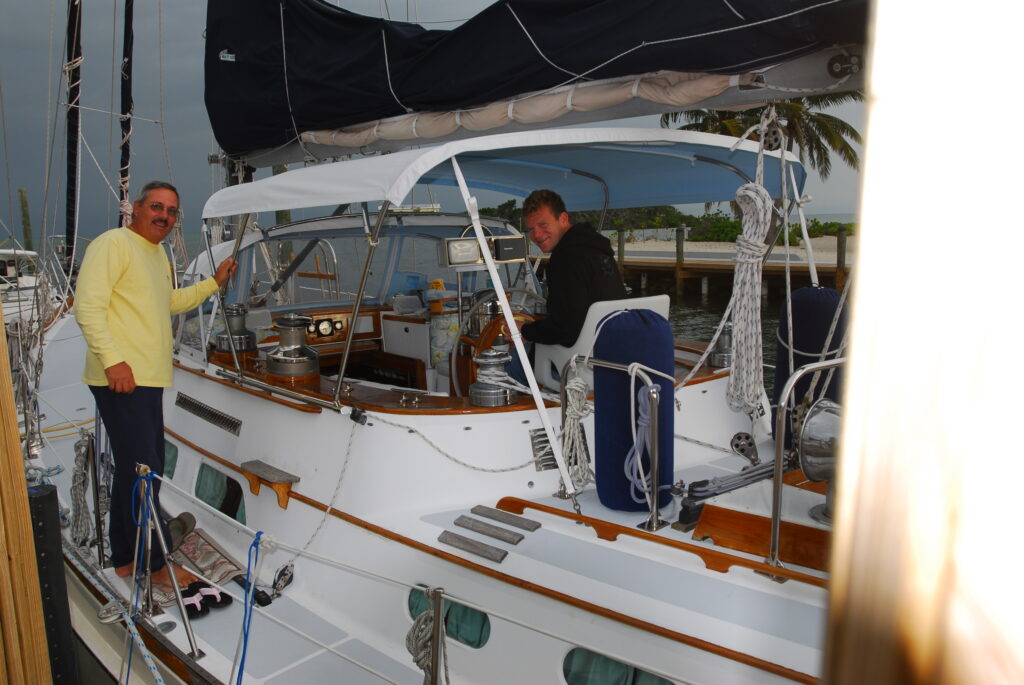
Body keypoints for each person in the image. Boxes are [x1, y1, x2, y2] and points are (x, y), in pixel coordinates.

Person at [76, 181, 236, 589]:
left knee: (136, 470)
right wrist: (114, 362)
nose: (163, 215)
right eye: (156, 206)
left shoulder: (158, 253)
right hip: (123, 378)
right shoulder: (113, 244)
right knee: (147, 471)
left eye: (170, 211)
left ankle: (127, 559)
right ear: (138, 209)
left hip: (145, 378)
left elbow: (168, 302)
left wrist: (214, 283)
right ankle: (158, 566)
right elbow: (87, 306)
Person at [506, 189, 627, 381]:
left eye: (543, 224)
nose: (536, 234)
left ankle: (525, 408)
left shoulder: (565, 257)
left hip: (581, 364)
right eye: (530, 229)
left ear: (563, 219)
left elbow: (567, 328)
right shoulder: (598, 250)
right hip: (615, 355)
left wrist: (524, 330)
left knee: (506, 363)